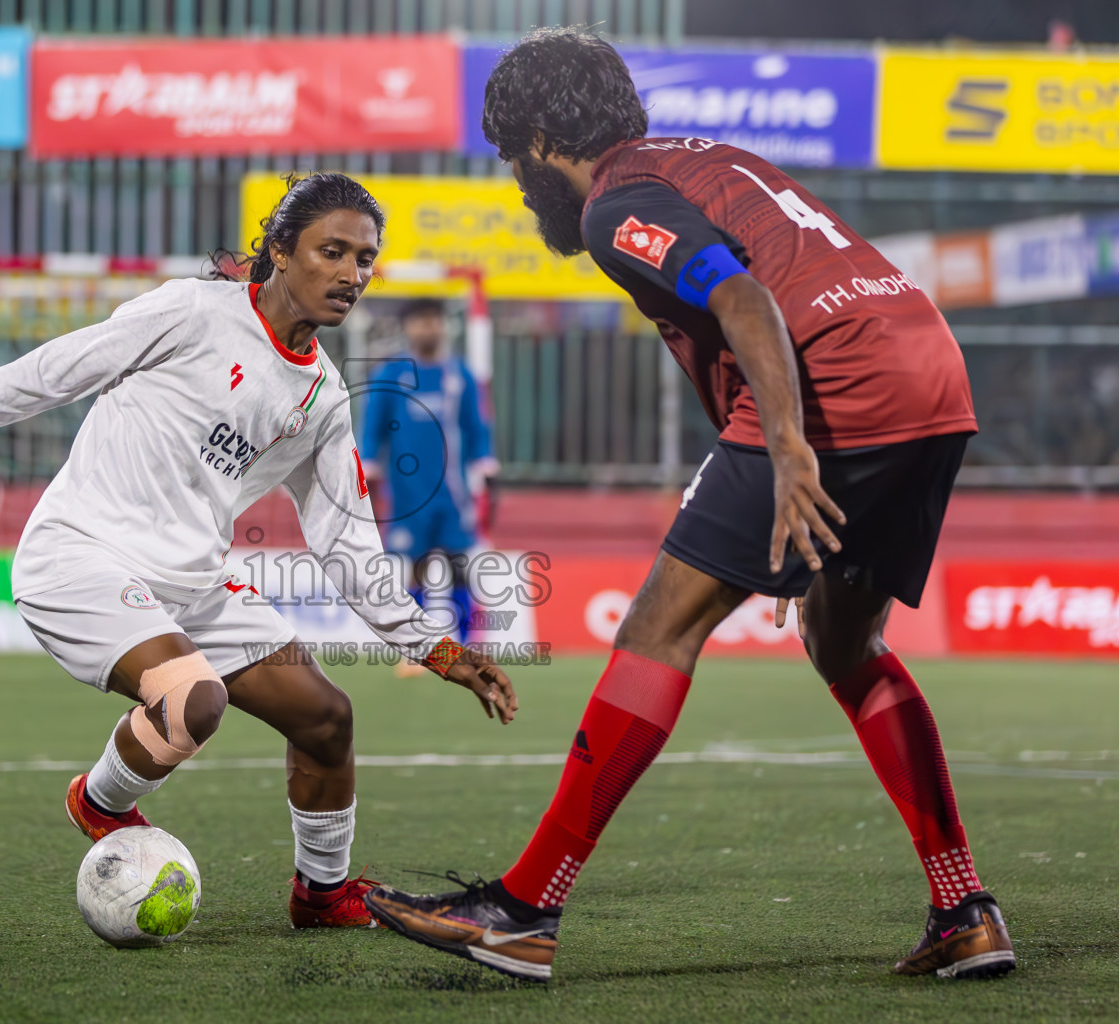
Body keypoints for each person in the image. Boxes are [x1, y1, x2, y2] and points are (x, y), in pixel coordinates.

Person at [365, 28, 1012, 982]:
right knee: (846, 644)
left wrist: (791, 453)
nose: (517, 178)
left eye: (513, 156)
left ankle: (522, 911)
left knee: (656, 630)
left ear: (544, 136)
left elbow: (748, 302)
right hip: (929, 370)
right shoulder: (709, 158)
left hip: (833, 381)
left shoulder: (614, 205)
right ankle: (965, 908)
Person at [0, 173, 517, 930]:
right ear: (282, 252)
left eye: (365, 258)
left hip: (192, 581)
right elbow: (53, 371)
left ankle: (322, 897)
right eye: (334, 251)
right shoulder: (192, 311)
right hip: (80, 556)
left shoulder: (323, 396)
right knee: (195, 700)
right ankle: (98, 802)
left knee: (326, 718)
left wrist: (437, 648)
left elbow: (346, 541)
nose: (353, 274)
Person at [359, 298, 497, 676]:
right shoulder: (391, 375)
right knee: (412, 570)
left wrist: (485, 461)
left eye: (434, 320)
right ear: (408, 328)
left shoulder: (459, 375)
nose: (428, 328)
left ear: (444, 326)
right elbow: (373, 428)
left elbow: (477, 427)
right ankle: (417, 650)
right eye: (421, 321)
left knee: (460, 568)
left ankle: (471, 647)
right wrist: (368, 464)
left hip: (453, 495)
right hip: (407, 494)